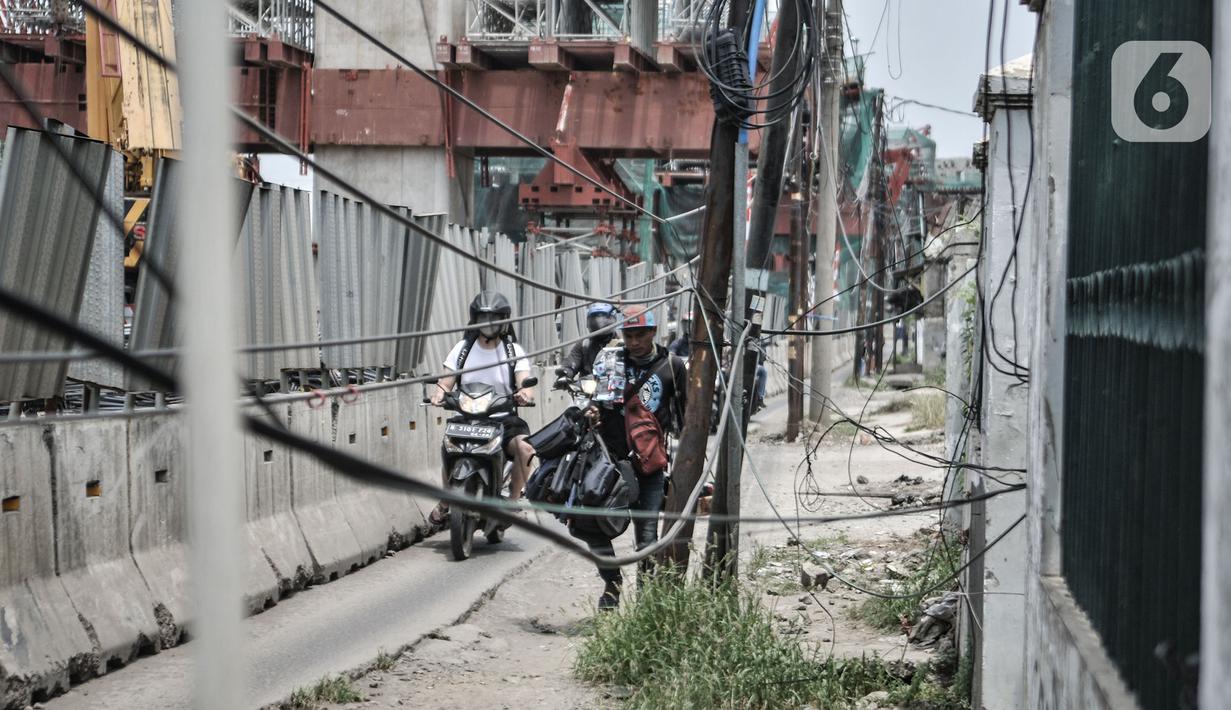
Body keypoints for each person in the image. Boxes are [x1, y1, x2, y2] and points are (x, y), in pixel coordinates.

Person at [581, 305, 687, 609]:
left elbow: (684, 417)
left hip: (649, 465)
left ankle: (644, 607)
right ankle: (612, 582)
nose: (634, 341)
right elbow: (594, 401)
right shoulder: (609, 361)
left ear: (653, 332)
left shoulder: (672, 364)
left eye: (640, 334)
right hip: (609, 463)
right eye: (629, 335)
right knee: (588, 524)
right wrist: (592, 411)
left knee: (647, 540)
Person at [428, 291, 536, 527]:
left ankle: (515, 502)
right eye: (483, 318)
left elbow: (524, 382)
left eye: (493, 319)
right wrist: (439, 394)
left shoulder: (513, 351)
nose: (487, 325)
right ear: (474, 319)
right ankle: (446, 501)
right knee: (449, 447)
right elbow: (445, 382)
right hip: (466, 417)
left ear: (503, 320)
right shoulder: (462, 349)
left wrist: (524, 394)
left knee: (525, 448)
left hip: (503, 418)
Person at [558, 302, 620, 382]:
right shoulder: (584, 344)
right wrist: (565, 373)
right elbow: (572, 361)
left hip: (616, 385)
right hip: (589, 386)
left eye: (604, 320)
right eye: (595, 320)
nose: (599, 323)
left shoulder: (621, 342)